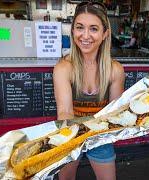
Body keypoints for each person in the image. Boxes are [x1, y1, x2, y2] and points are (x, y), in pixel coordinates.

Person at [53, 1, 125, 180]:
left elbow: (114, 113)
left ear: (105, 34)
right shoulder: (64, 68)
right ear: (72, 31)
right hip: (70, 133)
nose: (85, 35)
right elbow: (65, 112)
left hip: (101, 135)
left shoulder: (115, 69)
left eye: (93, 29)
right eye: (80, 27)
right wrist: (73, 140)